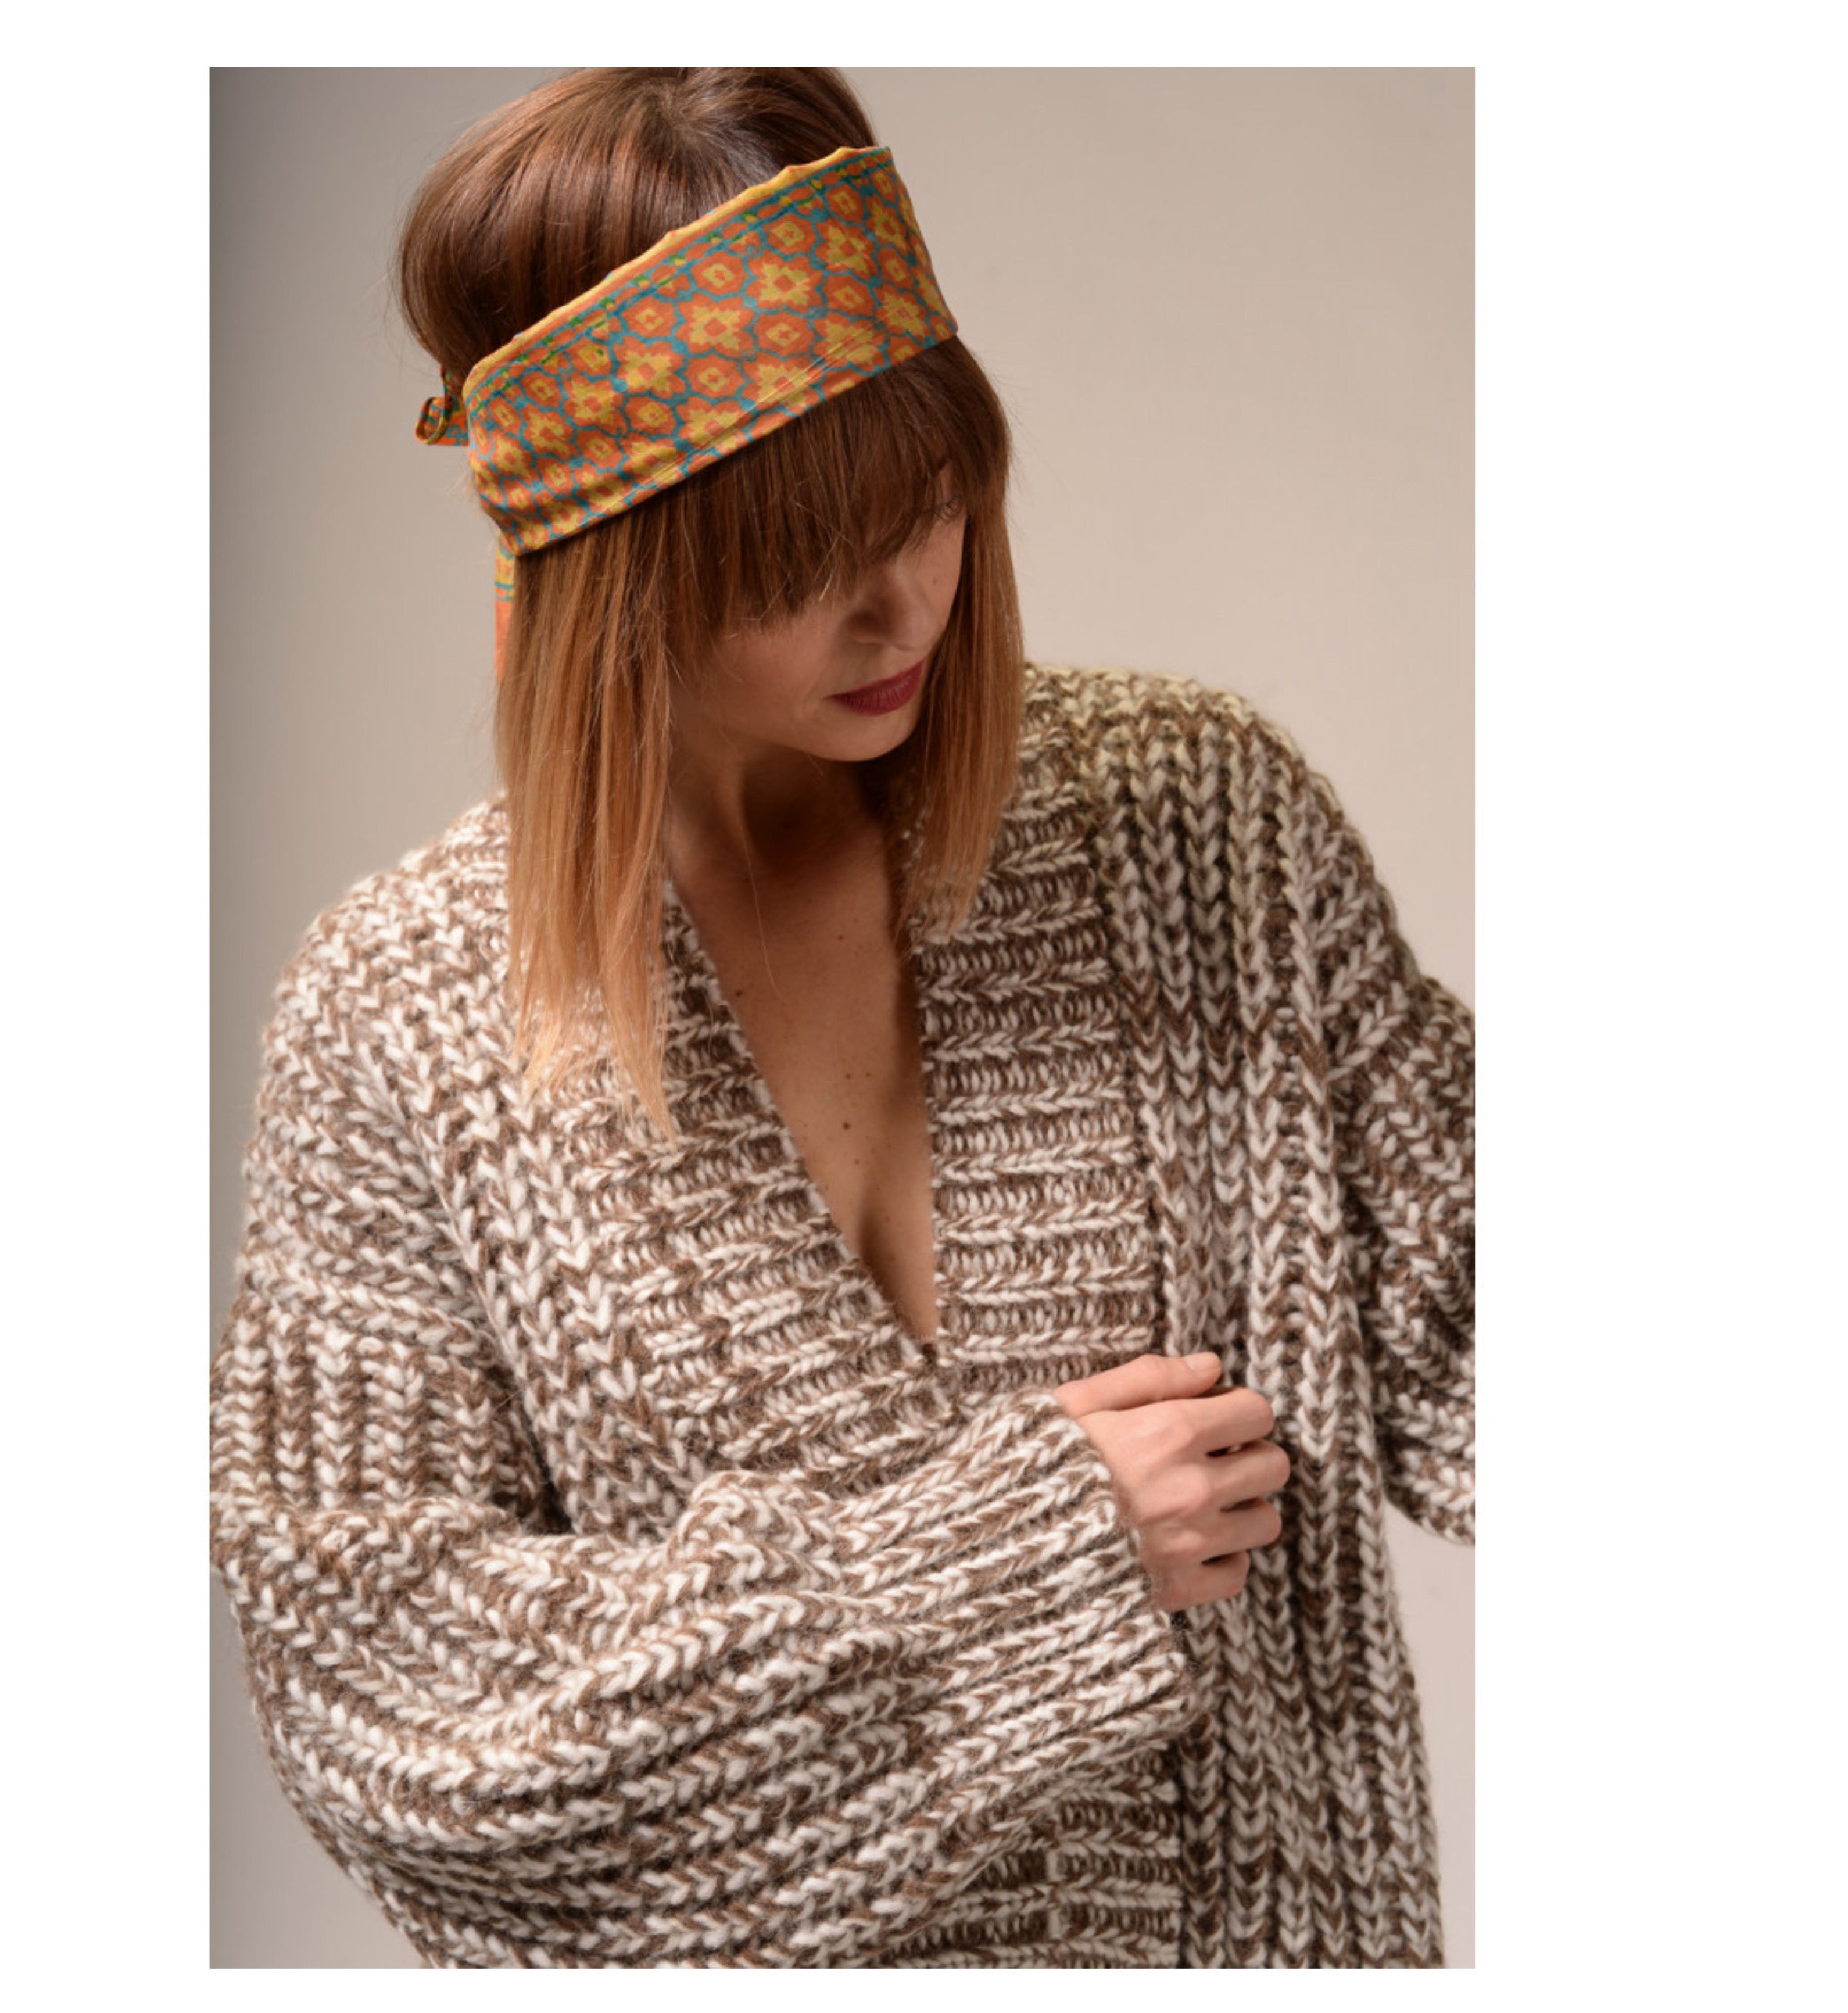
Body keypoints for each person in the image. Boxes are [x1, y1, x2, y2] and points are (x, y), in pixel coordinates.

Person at [209, 67, 1474, 1969]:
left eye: (928, 503)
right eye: (795, 555)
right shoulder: (399, 1021)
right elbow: (405, 1722)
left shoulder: (1199, 830)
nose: (899, 608)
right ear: (612, 564)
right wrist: (1022, 1571)